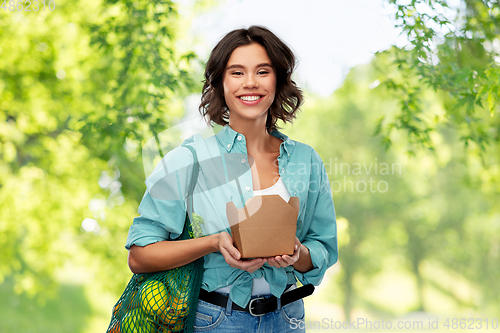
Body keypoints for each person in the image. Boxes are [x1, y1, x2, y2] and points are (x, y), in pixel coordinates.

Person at [126, 25, 338, 332]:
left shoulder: (307, 160)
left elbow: (323, 248)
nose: (250, 83)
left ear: (278, 80)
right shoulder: (189, 160)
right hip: (215, 321)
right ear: (220, 84)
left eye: (262, 71)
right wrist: (213, 243)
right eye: (237, 73)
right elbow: (140, 255)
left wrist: (297, 254)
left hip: (288, 319)